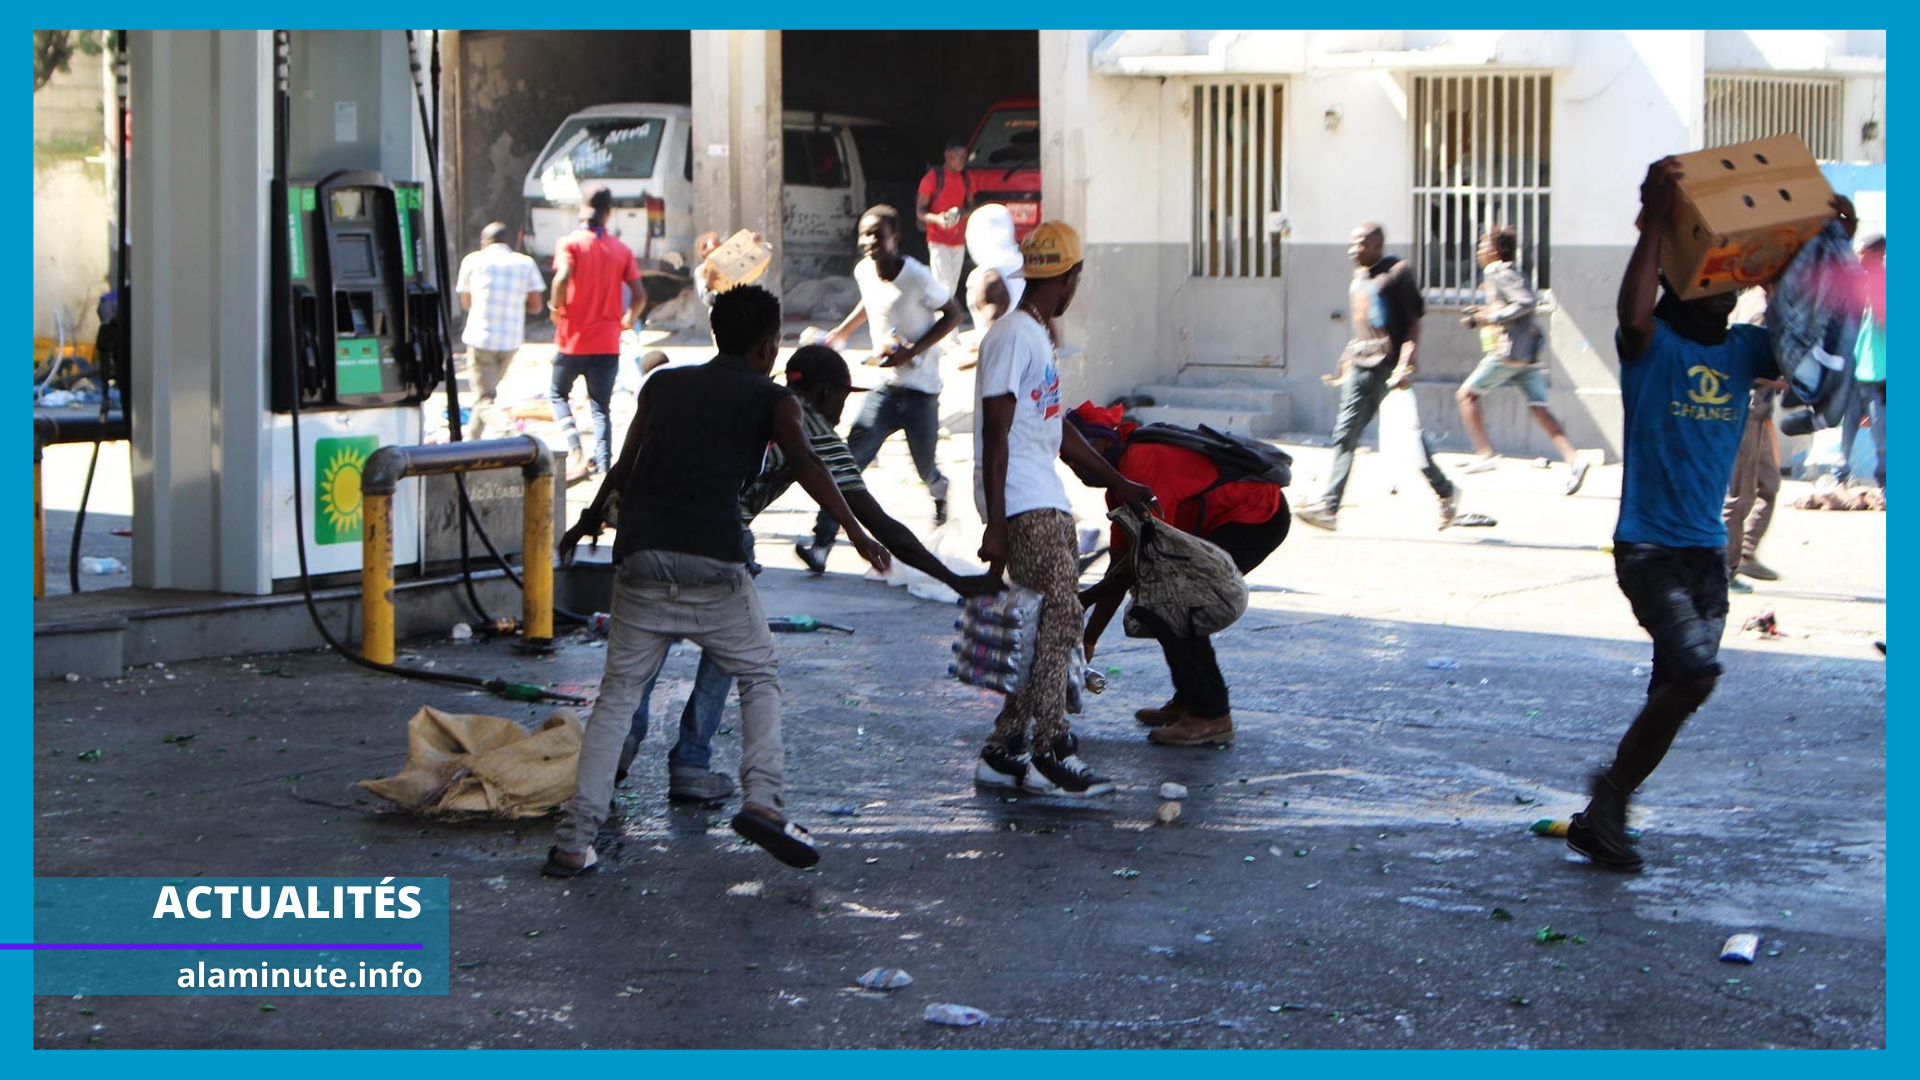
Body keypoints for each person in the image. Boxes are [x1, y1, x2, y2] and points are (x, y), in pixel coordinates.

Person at [1566, 157, 1855, 872]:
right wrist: (1659, 222)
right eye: (1712, 285)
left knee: (1676, 688)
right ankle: (1608, 795)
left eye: (1732, 290)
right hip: (1649, 550)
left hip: (1705, 556)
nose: (1725, 298)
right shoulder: (1650, 347)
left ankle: (1602, 815)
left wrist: (1826, 243)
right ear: (1678, 289)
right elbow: (1631, 311)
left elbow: (1805, 330)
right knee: (1695, 674)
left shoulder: (1741, 352)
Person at [545, 285, 892, 877]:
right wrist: (857, 534)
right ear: (767, 346)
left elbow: (624, 469)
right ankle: (765, 802)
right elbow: (808, 467)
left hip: (642, 557)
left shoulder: (661, 386)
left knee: (617, 697)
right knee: (758, 675)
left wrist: (584, 520)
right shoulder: (775, 401)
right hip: (716, 561)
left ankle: (574, 842)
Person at [615, 345, 1000, 800]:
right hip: (719, 536)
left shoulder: (745, 400)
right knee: (736, 653)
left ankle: (620, 745)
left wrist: (596, 516)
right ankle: (697, 765)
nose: (844, 409)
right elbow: (880, 522)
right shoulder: (805, 422)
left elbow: (633, 460)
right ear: (824, 391)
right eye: (842, 396)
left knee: (646, 646)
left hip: (651, 531)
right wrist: (954, 579)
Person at [972, 221, 1157, 796]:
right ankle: (1052, 745)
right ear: (1071, 277)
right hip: (1024, 500)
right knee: (1061, 620)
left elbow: (1058, 431)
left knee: (1047, 626)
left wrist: (1118, 482)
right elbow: (996, 435)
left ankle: (1005, 750)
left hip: (1038, 491)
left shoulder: (1034, 335)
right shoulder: (1012, 336)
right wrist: (997, 527)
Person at [1067, 404, 1289, 748]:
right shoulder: (1120, 484)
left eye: (1079, 456)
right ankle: (1189, 699)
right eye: (1068, 460)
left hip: (1255, 517)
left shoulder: (1140, 466)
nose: (1076, 469)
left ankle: (1211, 714)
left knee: (1175, 600)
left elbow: (1139, 563)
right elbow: (1121, 563)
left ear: (1099, 444)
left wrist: (1084, 600)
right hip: (1236, 518)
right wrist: (1089, 638)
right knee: (1164, 596)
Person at [806, 206, 964, 561]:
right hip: (886, 387)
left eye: (878, 234)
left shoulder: (918, 276)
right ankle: (821, 544)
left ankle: (939, 493)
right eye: (864, 234)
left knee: (926, 469)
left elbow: (954, 314)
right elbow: (870, 302)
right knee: (846, 462)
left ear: (896, 237)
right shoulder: (864, 271)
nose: (869, 242)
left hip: (922, 391)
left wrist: (912, 351)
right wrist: (841, 334)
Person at [1292, 224, 1461, 531]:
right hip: (1361, 365)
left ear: (1377, 244)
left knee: (1405, 439)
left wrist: (1406, 365)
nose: (1352, 250)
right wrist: (1346, 356)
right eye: (1351, 243)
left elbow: (1413, 322)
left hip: (1387, 367)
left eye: (1360, 244)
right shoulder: (1360, 277)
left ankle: (1445, 491)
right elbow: (1366, 323)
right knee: (1347, 432)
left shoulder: (1397, 273)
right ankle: (1330, 506)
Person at [1454, 226, 1590, 495]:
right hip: (1525, 355)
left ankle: (1486, 453)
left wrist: (1491, 317)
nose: (1480, 249)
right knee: (1539, 407)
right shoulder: (1508, 272)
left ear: (1496, 250)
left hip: (1509, 353)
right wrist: (1481, 314)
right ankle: (1575, 460)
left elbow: (1526, 302)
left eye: (1484, 244)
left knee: (1465, 396)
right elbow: (1512, 306)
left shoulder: (1500, 272)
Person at [548, 183, 644, 484]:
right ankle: (603, 466)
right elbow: (640, 295)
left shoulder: (570, 244)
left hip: (572, 339)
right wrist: (628, 320)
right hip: (607, 341)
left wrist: (555, 306)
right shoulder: (621, 250)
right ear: (609, 213)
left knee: (556, 393)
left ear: (583, 211)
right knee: (601, 406)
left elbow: (562, 277)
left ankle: (575, 448)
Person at [454, 222, 545, 441]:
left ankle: (506, 428)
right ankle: (469, 443)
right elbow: (536, 306)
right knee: (486, 396)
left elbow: (466, 303)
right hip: (509, 342)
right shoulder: (525, 263)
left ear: (484, 242)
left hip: (480, 339)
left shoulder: (473, 260)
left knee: (484, 398)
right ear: (509, 242)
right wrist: (513, 303)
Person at [1722, 287, 1786, 593]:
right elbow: (1743, 365)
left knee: (1769, 484)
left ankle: (1745, 552)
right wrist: (1783, 379)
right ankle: (1725, 568)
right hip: (1748, 411)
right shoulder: (1759, 308)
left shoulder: (1764, 302)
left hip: (1760, 411)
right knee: (1740, 495)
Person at [962, 202, 1025, 369]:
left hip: (1000, 375)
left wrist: (968, 362)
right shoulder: (1024, 267)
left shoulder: (989, 278)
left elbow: (994, 337)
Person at [917, 136, 974, 297]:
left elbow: (972, 207)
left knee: (951, 287)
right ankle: (945, 320)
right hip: (937, 240)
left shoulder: (967, 178)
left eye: (965, 157)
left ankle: (945, 319)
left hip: (959, 240)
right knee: (943, 285)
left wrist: (960, 212)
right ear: (948, 155)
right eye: (959, 157)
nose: (963, 161)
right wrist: (938, 219)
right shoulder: (932, 178)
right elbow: (920, 212)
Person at [1852, 235, 1886, 492]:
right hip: (1862, 367)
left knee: (1882, 432)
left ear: (1876, 253)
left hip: (1880, 370)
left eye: (1861, 251)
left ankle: (1887, 483)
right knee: (1870, 427)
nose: (1857, 256)